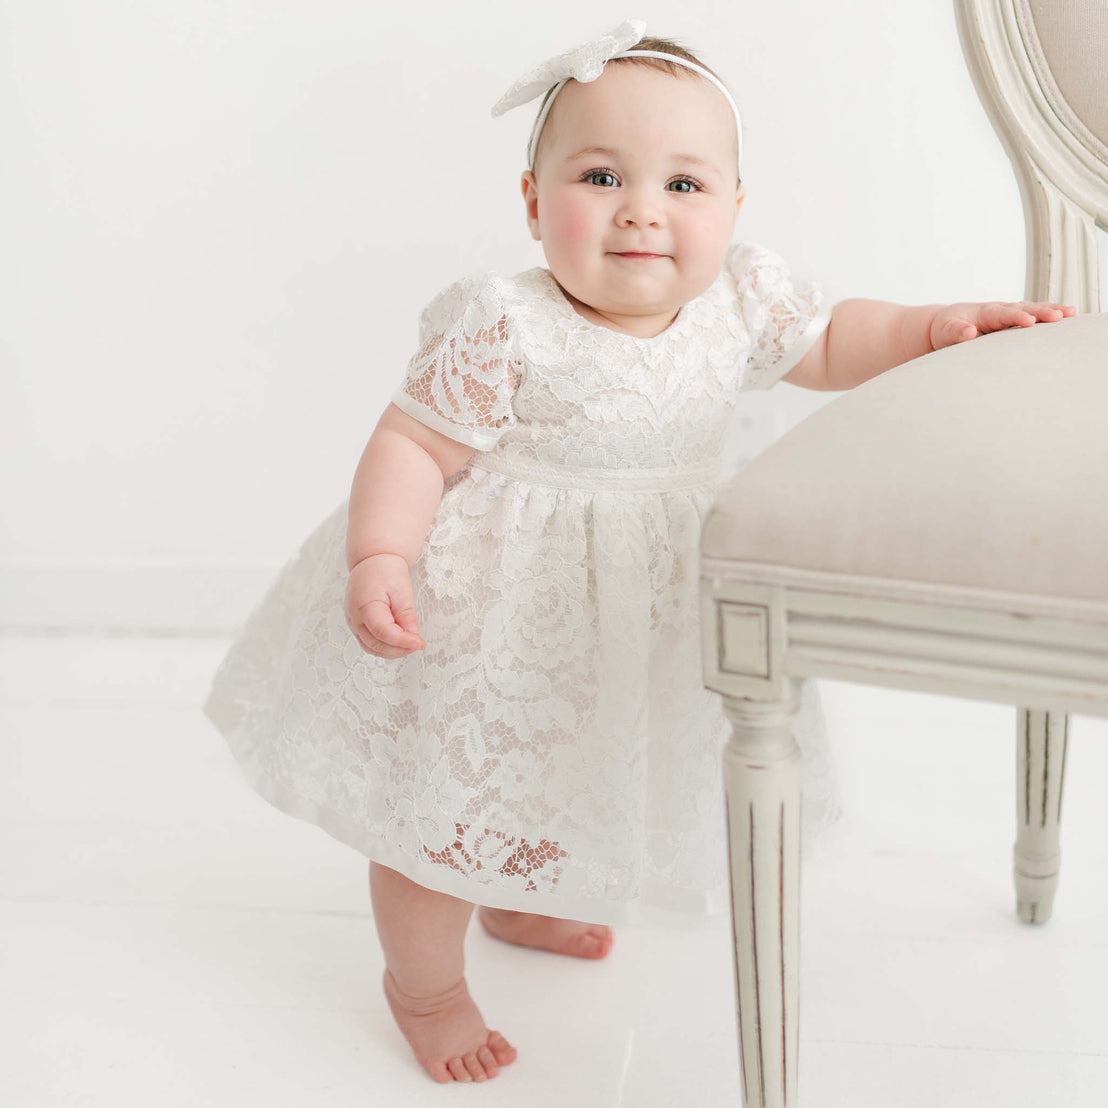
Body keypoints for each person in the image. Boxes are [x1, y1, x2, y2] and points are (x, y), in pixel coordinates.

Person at [201, 19, 1075, 1087]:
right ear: (532, 201)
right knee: (449, 805)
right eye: (601, 174)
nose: (641, 209)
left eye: (683, 184)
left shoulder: (738, 301)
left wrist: (936, 325)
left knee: (571, 773)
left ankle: (521, 897)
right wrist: (380, 553)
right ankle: (424, 984)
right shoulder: (504, 322)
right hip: (489, 619)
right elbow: (413, 442)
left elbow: (839, 338)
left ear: (735, 207)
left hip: (639, 613)